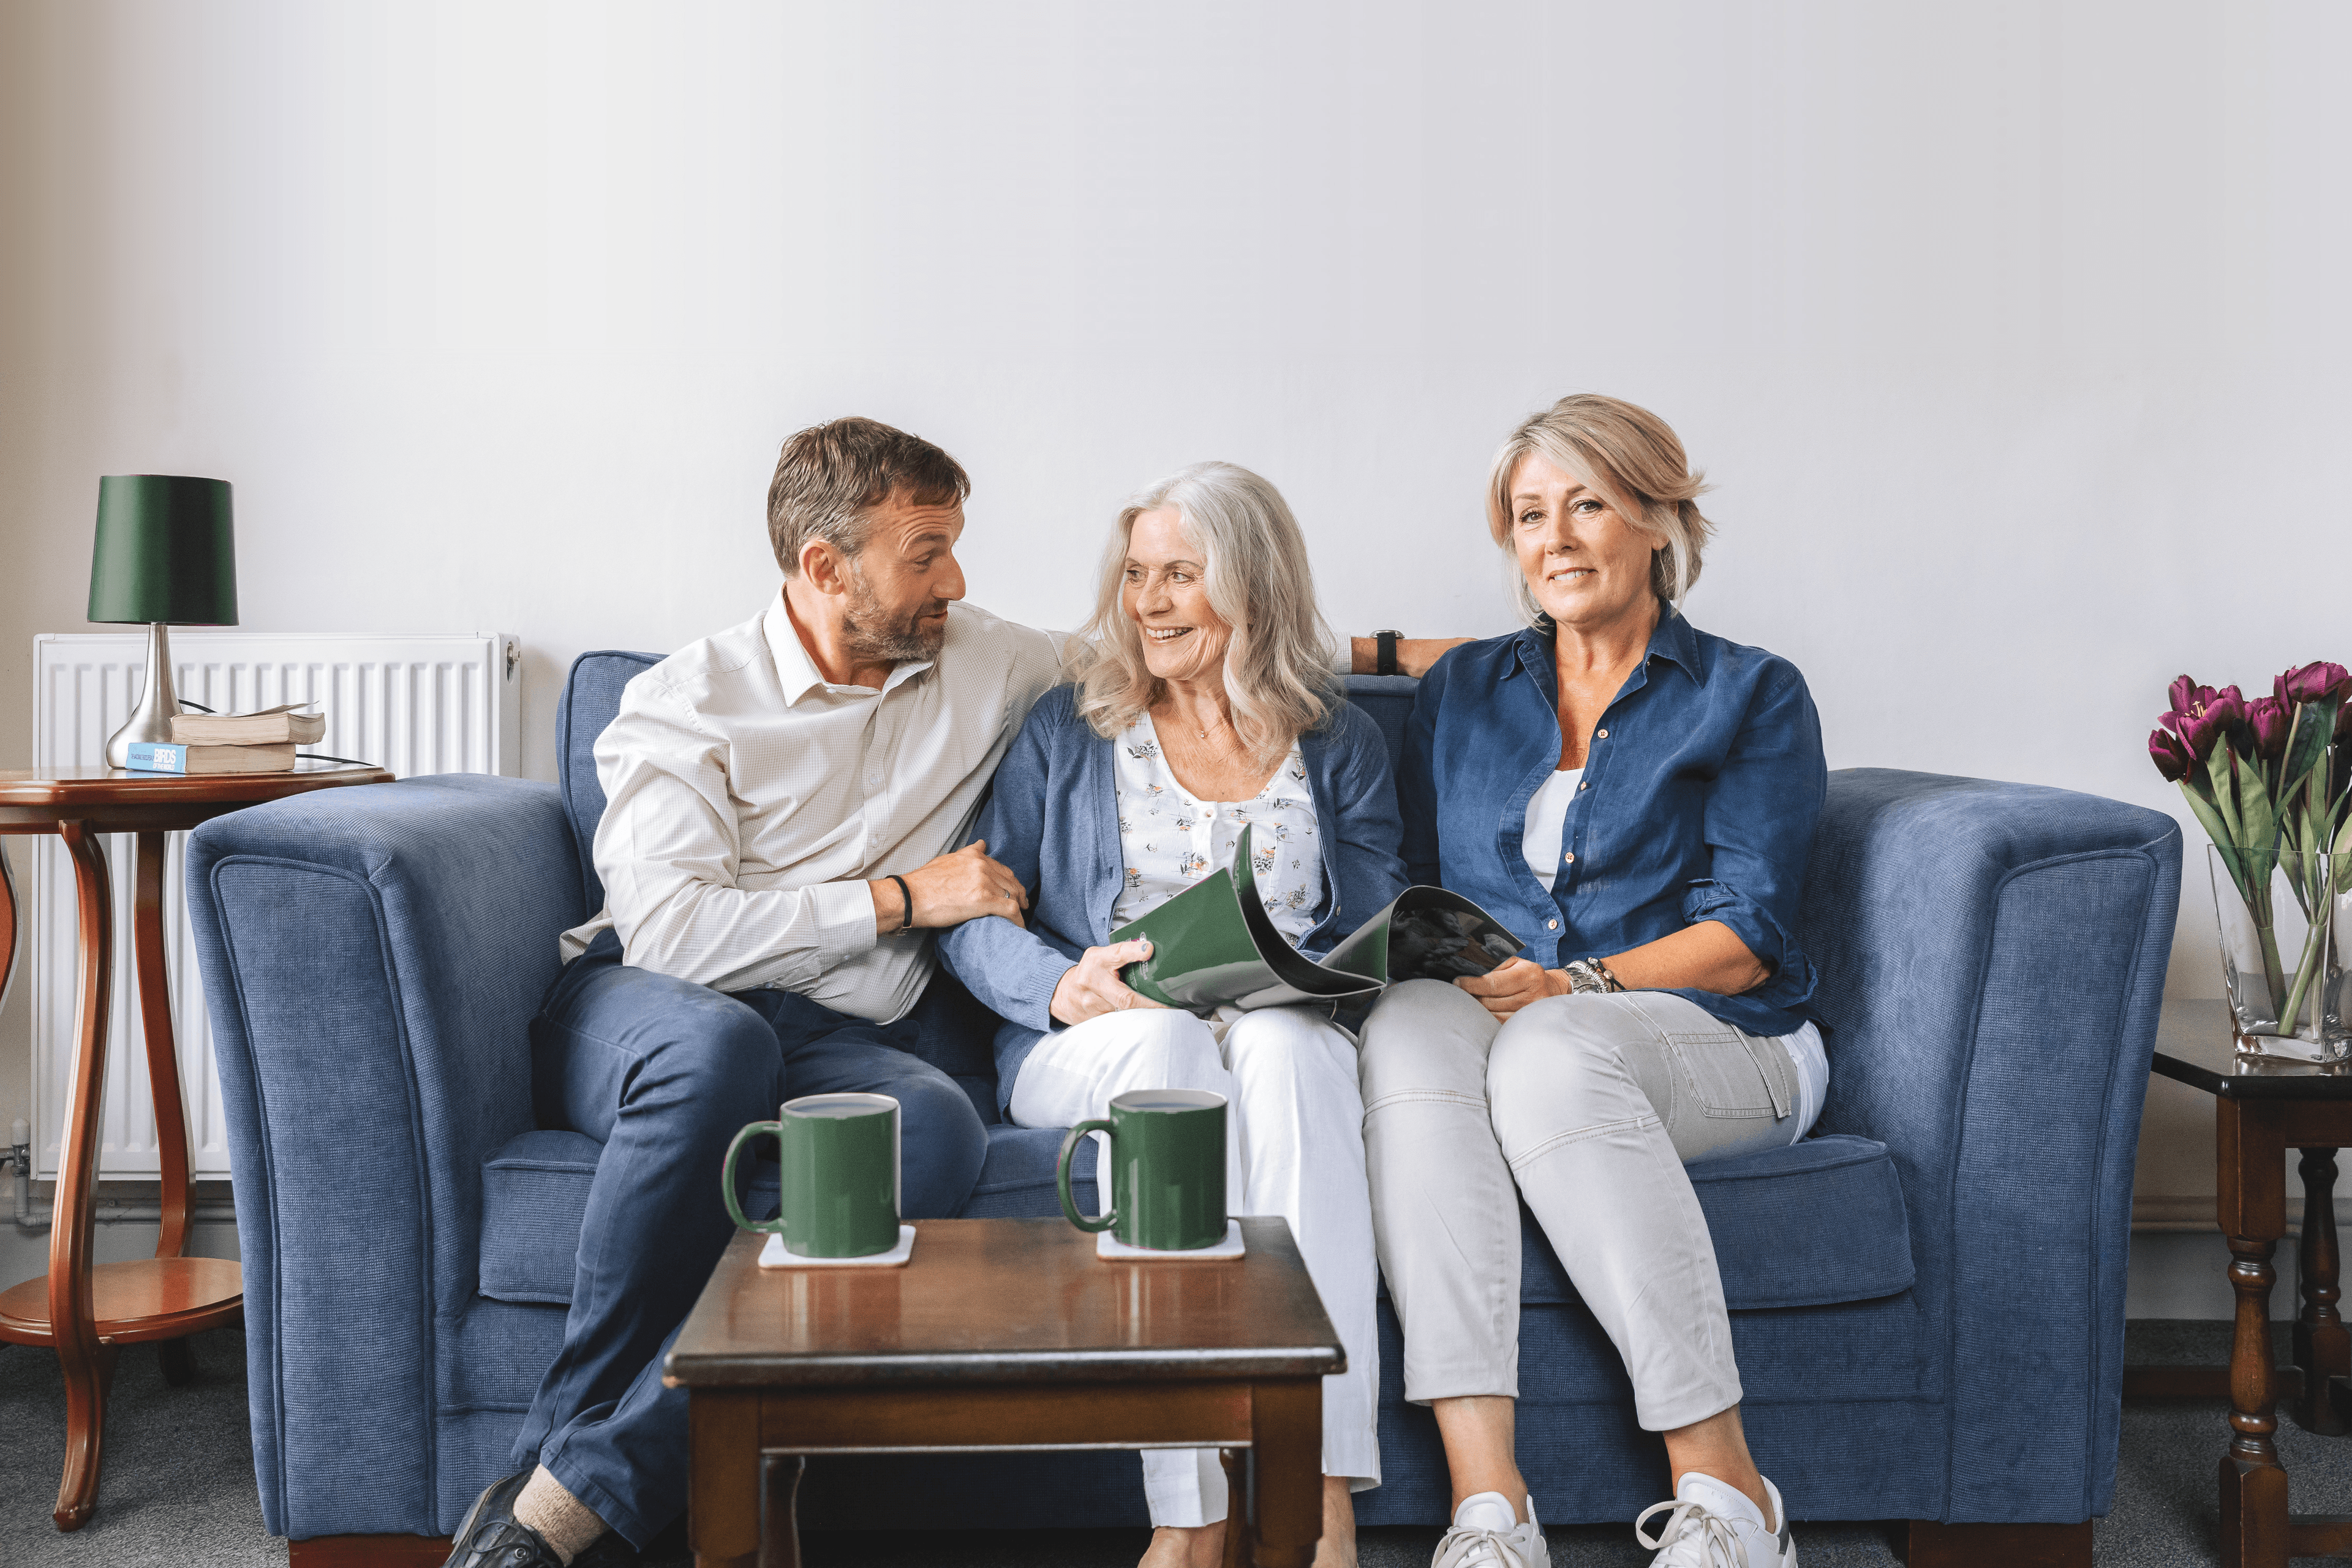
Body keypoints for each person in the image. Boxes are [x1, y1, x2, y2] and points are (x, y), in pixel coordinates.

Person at [445, 418, 1063, 1568]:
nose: (957, 580)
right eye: (925, 552)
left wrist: (1390, 655)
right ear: (826, 567)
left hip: (842, 1035)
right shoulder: (687, 705)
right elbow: (676, 936)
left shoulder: (984, 656)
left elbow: (1167, 646)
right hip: (645, 1005)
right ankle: (559, 1486)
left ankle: (558, 1503)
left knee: (930, 1127)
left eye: (955, 548)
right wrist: (896, 899)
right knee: (716, 1053)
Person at [1360, 395, 1828, 1568]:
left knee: (1552, 1052)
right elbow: (1421, 876)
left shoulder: (1752, 692)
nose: (1555, 537)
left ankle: (1726, 1491)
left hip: (1724, 1039)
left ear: (1660, 521)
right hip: (1515, 1026)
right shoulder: (1465, 691)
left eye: (1588, 505)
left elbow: (1749, 934)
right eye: (1529, 515)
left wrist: (1578, 984)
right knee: (1407, 1036)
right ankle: (1490, 1509)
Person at [940, 462, 1403, 1568]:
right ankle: (1190, 1513)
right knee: (1166, 1040)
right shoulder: (1069, 728)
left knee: (1291, 1052)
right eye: (1137, 574)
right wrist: (1062, 986)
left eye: (1180, 575)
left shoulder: (1340, 740)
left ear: (1253, 588)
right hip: (1099, 1040)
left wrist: (1327, 979)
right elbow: (970, 914)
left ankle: (1315, 1488)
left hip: (1278, 1034)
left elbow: (1378, 924)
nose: (1147, 601)